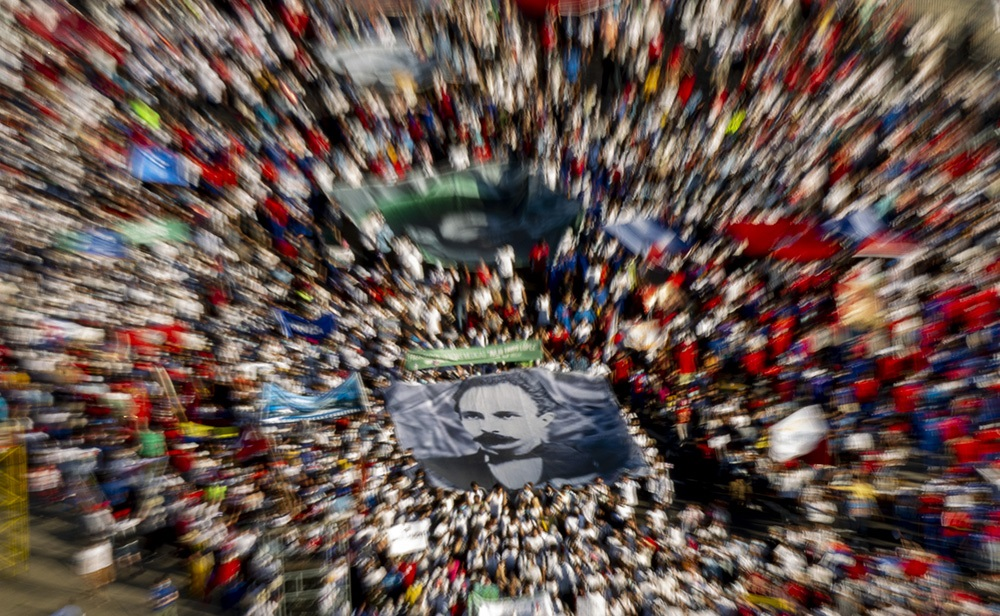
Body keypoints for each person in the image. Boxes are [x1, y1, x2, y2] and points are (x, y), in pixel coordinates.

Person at [419, 371, 626, 490]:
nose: (488, 428)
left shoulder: (579, 464)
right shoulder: (446, 470)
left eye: (506, 416)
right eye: (473, 416)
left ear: (544, 419)